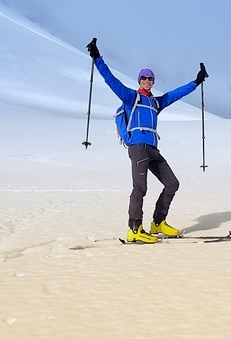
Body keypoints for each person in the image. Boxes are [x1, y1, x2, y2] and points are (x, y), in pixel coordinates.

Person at [86, 38, 208, 243]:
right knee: (140, 188)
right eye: (144, 78)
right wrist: (97, 57)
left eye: (150, 78)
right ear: (139, 80)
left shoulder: (155, 102)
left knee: (172, 183)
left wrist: (196, 82)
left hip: (152, 149)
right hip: (138, 147)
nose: (147, 80)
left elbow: (176, 94)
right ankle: (134, 229)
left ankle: (158, 223)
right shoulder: (131, 97)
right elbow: (111, 80)